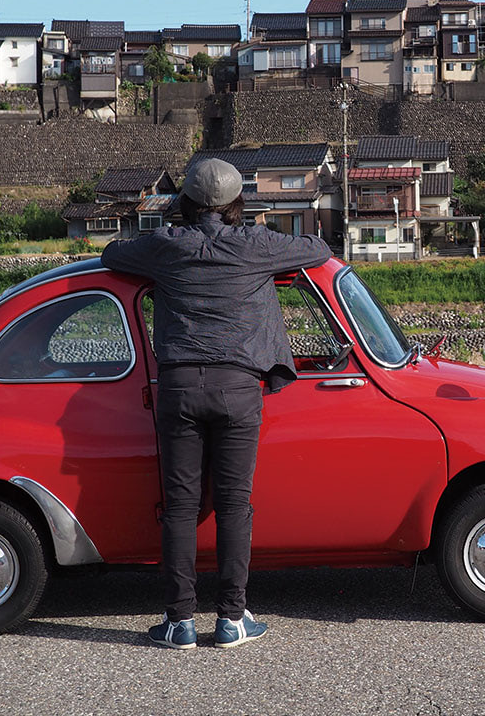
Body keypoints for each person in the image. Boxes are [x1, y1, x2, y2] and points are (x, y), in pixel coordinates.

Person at [101, 157, 332, 649]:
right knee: (233, 505)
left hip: (180, 387)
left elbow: (112, 255)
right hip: (239, 388)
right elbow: (317, 249)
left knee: (181, 508)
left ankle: (179, 621)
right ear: (235, 204)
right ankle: (232, 618)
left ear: (184, 202)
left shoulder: (165, 246)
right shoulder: (257, 244)